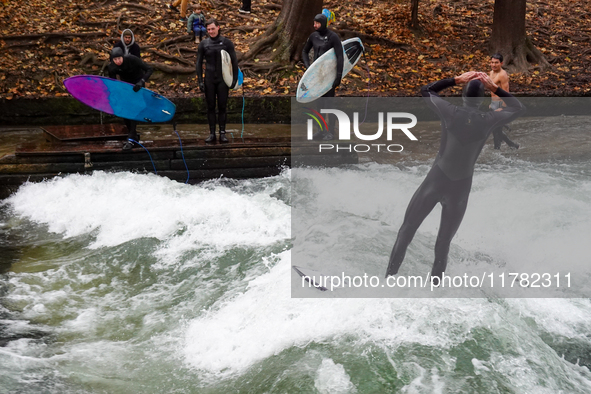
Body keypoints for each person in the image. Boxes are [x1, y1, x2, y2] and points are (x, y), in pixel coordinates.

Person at [385, 72, 525, 282]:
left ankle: (388, 281)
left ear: (463, 97)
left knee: (406, 232)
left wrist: (455, 80)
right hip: (460, 188)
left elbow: (427, 90)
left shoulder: (450, 112)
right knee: (443, 245)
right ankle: (435, 290)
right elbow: (517, 108)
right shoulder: (489, 120)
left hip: (436, 180)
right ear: (482, 99)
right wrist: (494, 88)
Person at [301, 13, 343, 140]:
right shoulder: (313, 36)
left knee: (329, 105)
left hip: (329, 77)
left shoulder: (333, 37)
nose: (315, 25)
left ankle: (331, 132)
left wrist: (338, 76)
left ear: (323, 23)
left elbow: (340, 56)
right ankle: (320, 130)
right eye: (314, 23)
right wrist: (308, 67)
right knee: (319, 105)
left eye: (317, 23)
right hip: (317, 76)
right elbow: (304, 51)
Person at [195, 19, 238, 143]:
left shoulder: (226, 43)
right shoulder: (203, 44)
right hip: (209, 79)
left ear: (218, 27)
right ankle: (212, 133)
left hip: (223, 79)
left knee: (222, 106)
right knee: (210, 107)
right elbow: (198, 63)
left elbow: (234, 61)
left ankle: (223, 133)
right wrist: (200, 81)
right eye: (208, 30)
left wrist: (234, 79)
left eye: (212, 29)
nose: (210, 31)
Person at [108, 47, 153, 150]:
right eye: (115, 60)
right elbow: (113, 83)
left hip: (138, 85)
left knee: (132, 109)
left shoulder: (132, 59)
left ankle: (131, 137)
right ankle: (133, 135)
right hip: (126, 87)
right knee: (124, 111)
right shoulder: (111, 67)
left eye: (119, 58)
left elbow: (149, 69)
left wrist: (142, 81)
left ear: (123, 57)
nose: (117, 61)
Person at [489, 53, 519, 149]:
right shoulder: (491, 73)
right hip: (493, 104)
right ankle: (512, 145)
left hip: (500, 104)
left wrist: (503, 108)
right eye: (492, 62)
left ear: (501, 63)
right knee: (495, 129)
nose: (494, 65)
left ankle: (497, 149)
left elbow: (506, 93)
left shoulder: (503, 75)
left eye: (496, 63)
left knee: (495, 129)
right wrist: (491, 103)